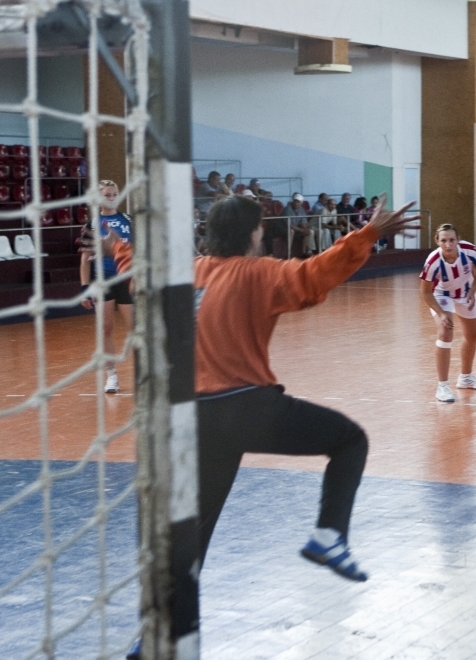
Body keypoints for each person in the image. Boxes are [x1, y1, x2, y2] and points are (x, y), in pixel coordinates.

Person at [107, 194, 417, 582]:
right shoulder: (259, 272)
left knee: (194, 532)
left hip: (187, 419)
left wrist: (117, 239)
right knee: (350, 440)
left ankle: (155, 634)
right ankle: (329, 535)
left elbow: (136, 271)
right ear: (253, 233)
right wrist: (369, 233)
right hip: (243, 408)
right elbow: (316, 273)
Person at [420, 223, 476, 402]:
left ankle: (466, 378)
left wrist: (473, 290)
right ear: (437, 241)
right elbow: (425, 291)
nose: (448, 244)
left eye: (452, 240)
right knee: (445, 332)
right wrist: (441, 313)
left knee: (473, 334)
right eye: (444, 241)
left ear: (458, 240)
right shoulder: (433, 261)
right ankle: (442, 386)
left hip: (465, 292)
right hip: (441, 294)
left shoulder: (469, 251)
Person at [79, 180, 133, 394]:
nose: (111, 198)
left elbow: (138, 249)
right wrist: (85, 288)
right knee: (106, 328)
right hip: (103, 281)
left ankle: (145, 374)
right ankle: (111, 377)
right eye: (107, 195)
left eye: (114, 194)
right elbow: (84, 260)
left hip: (127, 280)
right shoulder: (92, 225)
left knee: (135, 329)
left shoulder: (128, 220)